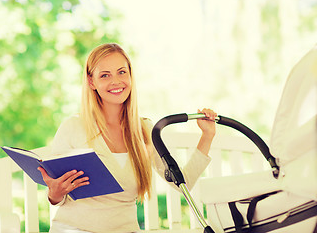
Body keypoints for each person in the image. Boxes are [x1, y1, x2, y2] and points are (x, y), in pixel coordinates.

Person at [38, 43, 217, 233]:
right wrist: (54, 193)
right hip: (73, 229)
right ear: (91, 82)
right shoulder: (73, 127)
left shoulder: (144, 130)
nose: (116, 81)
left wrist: (207, 135)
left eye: (121, 72)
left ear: (130, 76)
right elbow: (56, 195)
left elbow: (183, 183)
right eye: (105, 75)